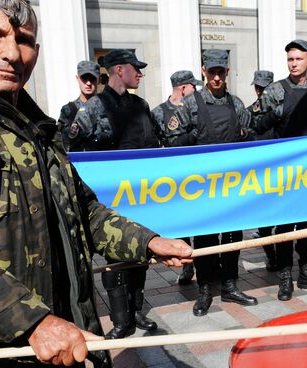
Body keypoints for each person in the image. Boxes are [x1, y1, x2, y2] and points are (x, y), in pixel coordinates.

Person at [0, 1, 192, 366]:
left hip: (61, 340)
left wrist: (147, 241)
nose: (11, 53)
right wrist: (33, 321)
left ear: (35, 52)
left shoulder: (40, 127)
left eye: (23, 40)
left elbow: (84, 212)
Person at [71, 49, 162, 340]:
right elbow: (70, 145)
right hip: (111, 201)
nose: (141, 73)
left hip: (143, 197)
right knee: (115, 256)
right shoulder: (94, 107)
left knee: (141, 251)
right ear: (119, 70)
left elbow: (156, 144)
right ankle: (121, 320)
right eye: (136, 68)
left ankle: (137, 311)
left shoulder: (142, 104)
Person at [252, 39, 307, 301]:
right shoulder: (276, 90)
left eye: (298, 59)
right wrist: (274, 116)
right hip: (285, 171)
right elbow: (256, 126)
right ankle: (285, 276)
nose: (294, 63)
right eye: (290, 59)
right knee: (286, 226)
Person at [182, 49, 258, 317]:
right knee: (204, 238)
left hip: (231, 184)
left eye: (220, 72)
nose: (216, 77)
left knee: (233, 235)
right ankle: (204, 289)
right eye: (211, 72)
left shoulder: (236, 103)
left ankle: (230, 285)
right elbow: (173, 141)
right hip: (201, 186)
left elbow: (248, 137)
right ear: (204, 71)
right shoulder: (190, 103)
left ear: (227, 72)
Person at [152, 70, 202, 284]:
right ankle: (187, 265)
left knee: (199, 223)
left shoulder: (198, 108)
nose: (196, 91)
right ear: (183, 88)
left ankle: (204, 264)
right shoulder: (158, 113)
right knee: (182, 224)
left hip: (195, 175)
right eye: (193, 87)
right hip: (173, 177)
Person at [247, 69, 279, 271]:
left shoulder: (280, 111)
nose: (261, 91)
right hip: (263, 171)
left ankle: (276, 255)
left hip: (279, 170)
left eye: (264, 87)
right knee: (267, 219)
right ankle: (272, 255)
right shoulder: (249, 112)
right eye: (259, 87)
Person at [58, 60, 99, 150]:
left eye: (92, 78)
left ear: (98, 80)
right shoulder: (68, 110)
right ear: (77, 79)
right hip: (78, 161)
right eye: (84, 78)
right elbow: (63, 143)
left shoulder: (106, 107)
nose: (88, 83)